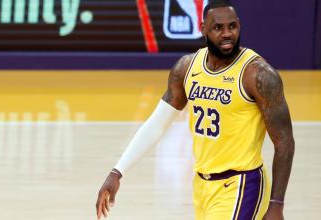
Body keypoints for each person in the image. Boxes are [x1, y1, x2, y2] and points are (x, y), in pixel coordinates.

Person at [96, 0, 295, 219]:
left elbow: (284, 141)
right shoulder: (187, 67)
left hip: (242, 184)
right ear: (203, 29)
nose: (227, 33)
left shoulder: (258, 75)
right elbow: (157, 124)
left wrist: (276, 204)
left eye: (232, 26)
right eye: (218, 27)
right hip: (202, 185)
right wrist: (117, 171)